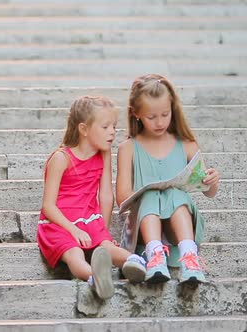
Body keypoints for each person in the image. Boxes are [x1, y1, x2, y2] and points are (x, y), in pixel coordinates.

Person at [38, 95, 147, 300]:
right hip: (59, 223)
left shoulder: (103, 153)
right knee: (74, 253)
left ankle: (136, 263)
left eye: (114, 126)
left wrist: (102, 231)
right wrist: (74, 229)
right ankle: (94, 276)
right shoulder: (61, 159)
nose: (113, 132)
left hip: (90, 219)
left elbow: (106, 196)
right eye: (105, 127)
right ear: (84, 129)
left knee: (107, 246)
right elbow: (48, 206)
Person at [116, 74, 221, 285]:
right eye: (151, 117)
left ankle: (189, 258)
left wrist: (212, 182)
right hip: (144, 228)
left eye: (165, 114)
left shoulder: (187, 144)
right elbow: (122, 199)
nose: (160, 122)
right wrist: (150, 191)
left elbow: (208, 192)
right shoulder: (128, 148)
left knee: (174, 193)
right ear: (136, 114)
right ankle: (155, 256)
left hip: (178, 230)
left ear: (173, 108)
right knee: (153, 194)